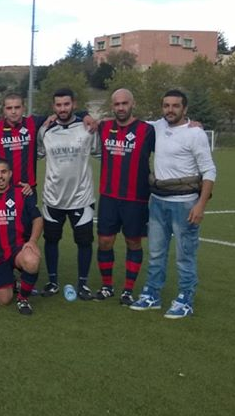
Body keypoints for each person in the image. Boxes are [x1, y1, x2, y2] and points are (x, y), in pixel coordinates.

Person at [130, 90, 216, 319]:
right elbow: (128, 121)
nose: (170, 110)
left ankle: (186, 298)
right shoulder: (156, 127)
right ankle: (152, 295)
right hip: (157, 202)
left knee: (185, 255)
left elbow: (209, 170)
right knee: (156, 253)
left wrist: (200, 205)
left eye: (175, 106)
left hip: (185, 204)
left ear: (184, 109)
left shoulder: (195, 134)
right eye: (166, 105)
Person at [37, 88, 99, 300]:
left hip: (82, 198)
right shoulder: (45, 130)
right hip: (53, 198)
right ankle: (53, 282)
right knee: (51, 240)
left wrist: (85, 115)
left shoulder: (87, 128)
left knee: (84, 242)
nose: (62, 109)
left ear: (74, 104)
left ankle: (83, 284)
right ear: (53, 107)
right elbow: (36, 154)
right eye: (58, 105)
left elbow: (101, 153)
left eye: (66, 104)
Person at [96, 89, 155, 305]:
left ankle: (128, 290)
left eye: (124, 103)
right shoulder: (103, 127)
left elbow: (170, 131)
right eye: (117, 104)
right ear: (112, 106)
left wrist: (189, 122)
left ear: (133, 103)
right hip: (109, 197)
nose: (121, 107)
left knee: (133, 242)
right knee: (104, 241)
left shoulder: (147, 130)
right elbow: (83, 118)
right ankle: (106, 286)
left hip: (136, 199)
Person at [0, 93, 95, 198]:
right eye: (9, 108)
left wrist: (84, 115)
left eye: (17, 107)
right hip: (2, 190)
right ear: (4, 110)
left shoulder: (34, 122)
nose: (13, 111)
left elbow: (64, 115)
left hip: (27, 189)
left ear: (23, 108)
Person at [0, 159, 44, 315]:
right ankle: (13, 283)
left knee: (32, 260)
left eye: (3, 172)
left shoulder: (22, 193)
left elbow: (38, 218)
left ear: (10, 174)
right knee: (3, 300)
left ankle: (23, 299)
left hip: (17, 249)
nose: (0, 176)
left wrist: (32, 241)